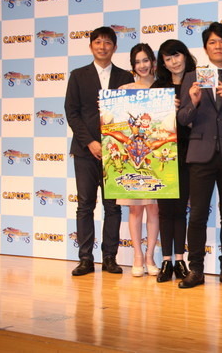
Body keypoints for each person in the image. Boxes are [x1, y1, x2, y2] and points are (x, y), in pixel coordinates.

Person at [176, 22, 222, 289]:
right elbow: (182, 119)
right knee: (197, 216)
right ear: (206, 48)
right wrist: (193, 102)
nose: (218, 46)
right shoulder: (192, 77)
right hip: (200, 154)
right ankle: (196, 269)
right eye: (213, 42)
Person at [65, 26, 134, 276]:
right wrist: (90, 143)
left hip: (115, 153)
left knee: (112, 207)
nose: (102, 46)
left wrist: (111, 143)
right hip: (85, 151)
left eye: (107, 42)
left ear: (114, 47)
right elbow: (71, 112)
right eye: (98, 42)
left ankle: (109, 258)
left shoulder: (125, 76)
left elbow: (131, 114)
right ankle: (85, 259)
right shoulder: (78, 75)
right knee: (85, 205)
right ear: (91, 46)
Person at [151, 39, 196, 283]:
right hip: (162, 155)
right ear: (163, 63)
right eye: (168, 58)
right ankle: (166, 261)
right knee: (165, 211)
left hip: (188, 153)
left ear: (185, 56)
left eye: (176, 56)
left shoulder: (196, 82)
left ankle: (180, 260)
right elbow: (147, 122)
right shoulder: (158, 87)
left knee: (180, 210)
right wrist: (163, 109)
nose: (174, 62)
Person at [115, 43, 160, 277]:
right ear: (133, 65)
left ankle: (151, 256)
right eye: (137, 61)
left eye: (145, 60)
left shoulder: (163, 88)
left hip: (156, 156)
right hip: (132, 156)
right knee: (135, 209)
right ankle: (137, 256)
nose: (142, 65)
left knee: (154, 208)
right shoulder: (124, 90)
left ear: (153, 62)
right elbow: (116, 123)